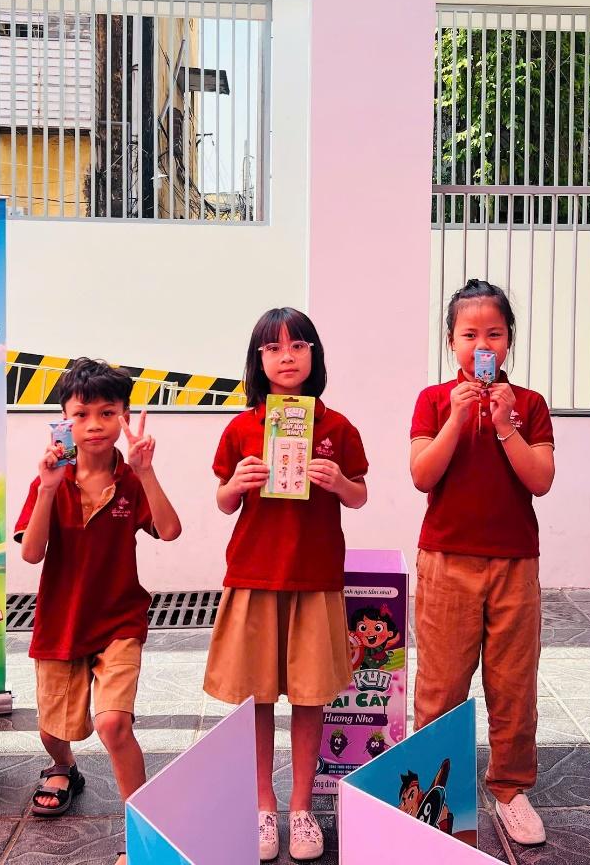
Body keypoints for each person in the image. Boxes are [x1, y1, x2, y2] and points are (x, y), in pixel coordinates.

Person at [203, 308, 369, 861]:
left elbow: (360, 494)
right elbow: (224, 501)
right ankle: (261, 805)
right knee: (257, 696)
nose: (288, 357)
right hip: (253, 573)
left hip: (316, 577)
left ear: (315, 355)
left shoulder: (337, 426)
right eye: (274, 349)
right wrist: (237, 483)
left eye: (299, 346)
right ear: (259, 361)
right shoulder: (242, 425)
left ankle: (301, 808)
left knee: (309, 693)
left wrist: (339, 481)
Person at [14, 359, 181, 865]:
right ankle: (62, 766)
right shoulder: (50, 480)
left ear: (124, 418)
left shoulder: (131, 481)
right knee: (53, 729)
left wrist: (148, 473)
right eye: (82, 413)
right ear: (64, 419)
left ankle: (144, 838)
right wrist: (46, 488)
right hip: (62, 622)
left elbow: (170, 531)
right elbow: (31, 553)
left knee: (112, 725)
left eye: (107, 413)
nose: (94, 425)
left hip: (119, 621)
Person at [409, 279, 555, 847]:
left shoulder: (530, 404)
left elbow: (539, 479)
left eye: (493, 332)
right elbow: (422, 474)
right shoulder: (432, 398)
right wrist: (455, 417)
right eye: (469, 334)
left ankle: (511, 790)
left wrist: (504, 425)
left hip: (515, 562)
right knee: (441, 683)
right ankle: (430, 790)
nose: (481, 343)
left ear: (509, 340)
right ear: (451, 341)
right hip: (446, 559)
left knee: (513, 682)